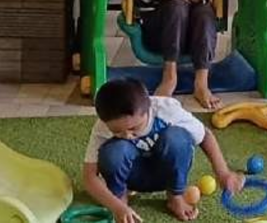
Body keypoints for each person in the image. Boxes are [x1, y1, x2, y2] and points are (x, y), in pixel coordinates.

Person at [81, 78, 244, 222]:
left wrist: (223, 173)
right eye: (117, 131)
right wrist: (116, 206)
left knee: (176, 137)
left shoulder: (166, 110)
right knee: (113, 152)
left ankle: (175, 197)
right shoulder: (103, 125)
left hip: (167, 172)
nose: (127, 135)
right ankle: (121, 198)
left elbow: (205, 135)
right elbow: (89, 177)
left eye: (133, 128)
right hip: (133, 176)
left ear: (148, 108)